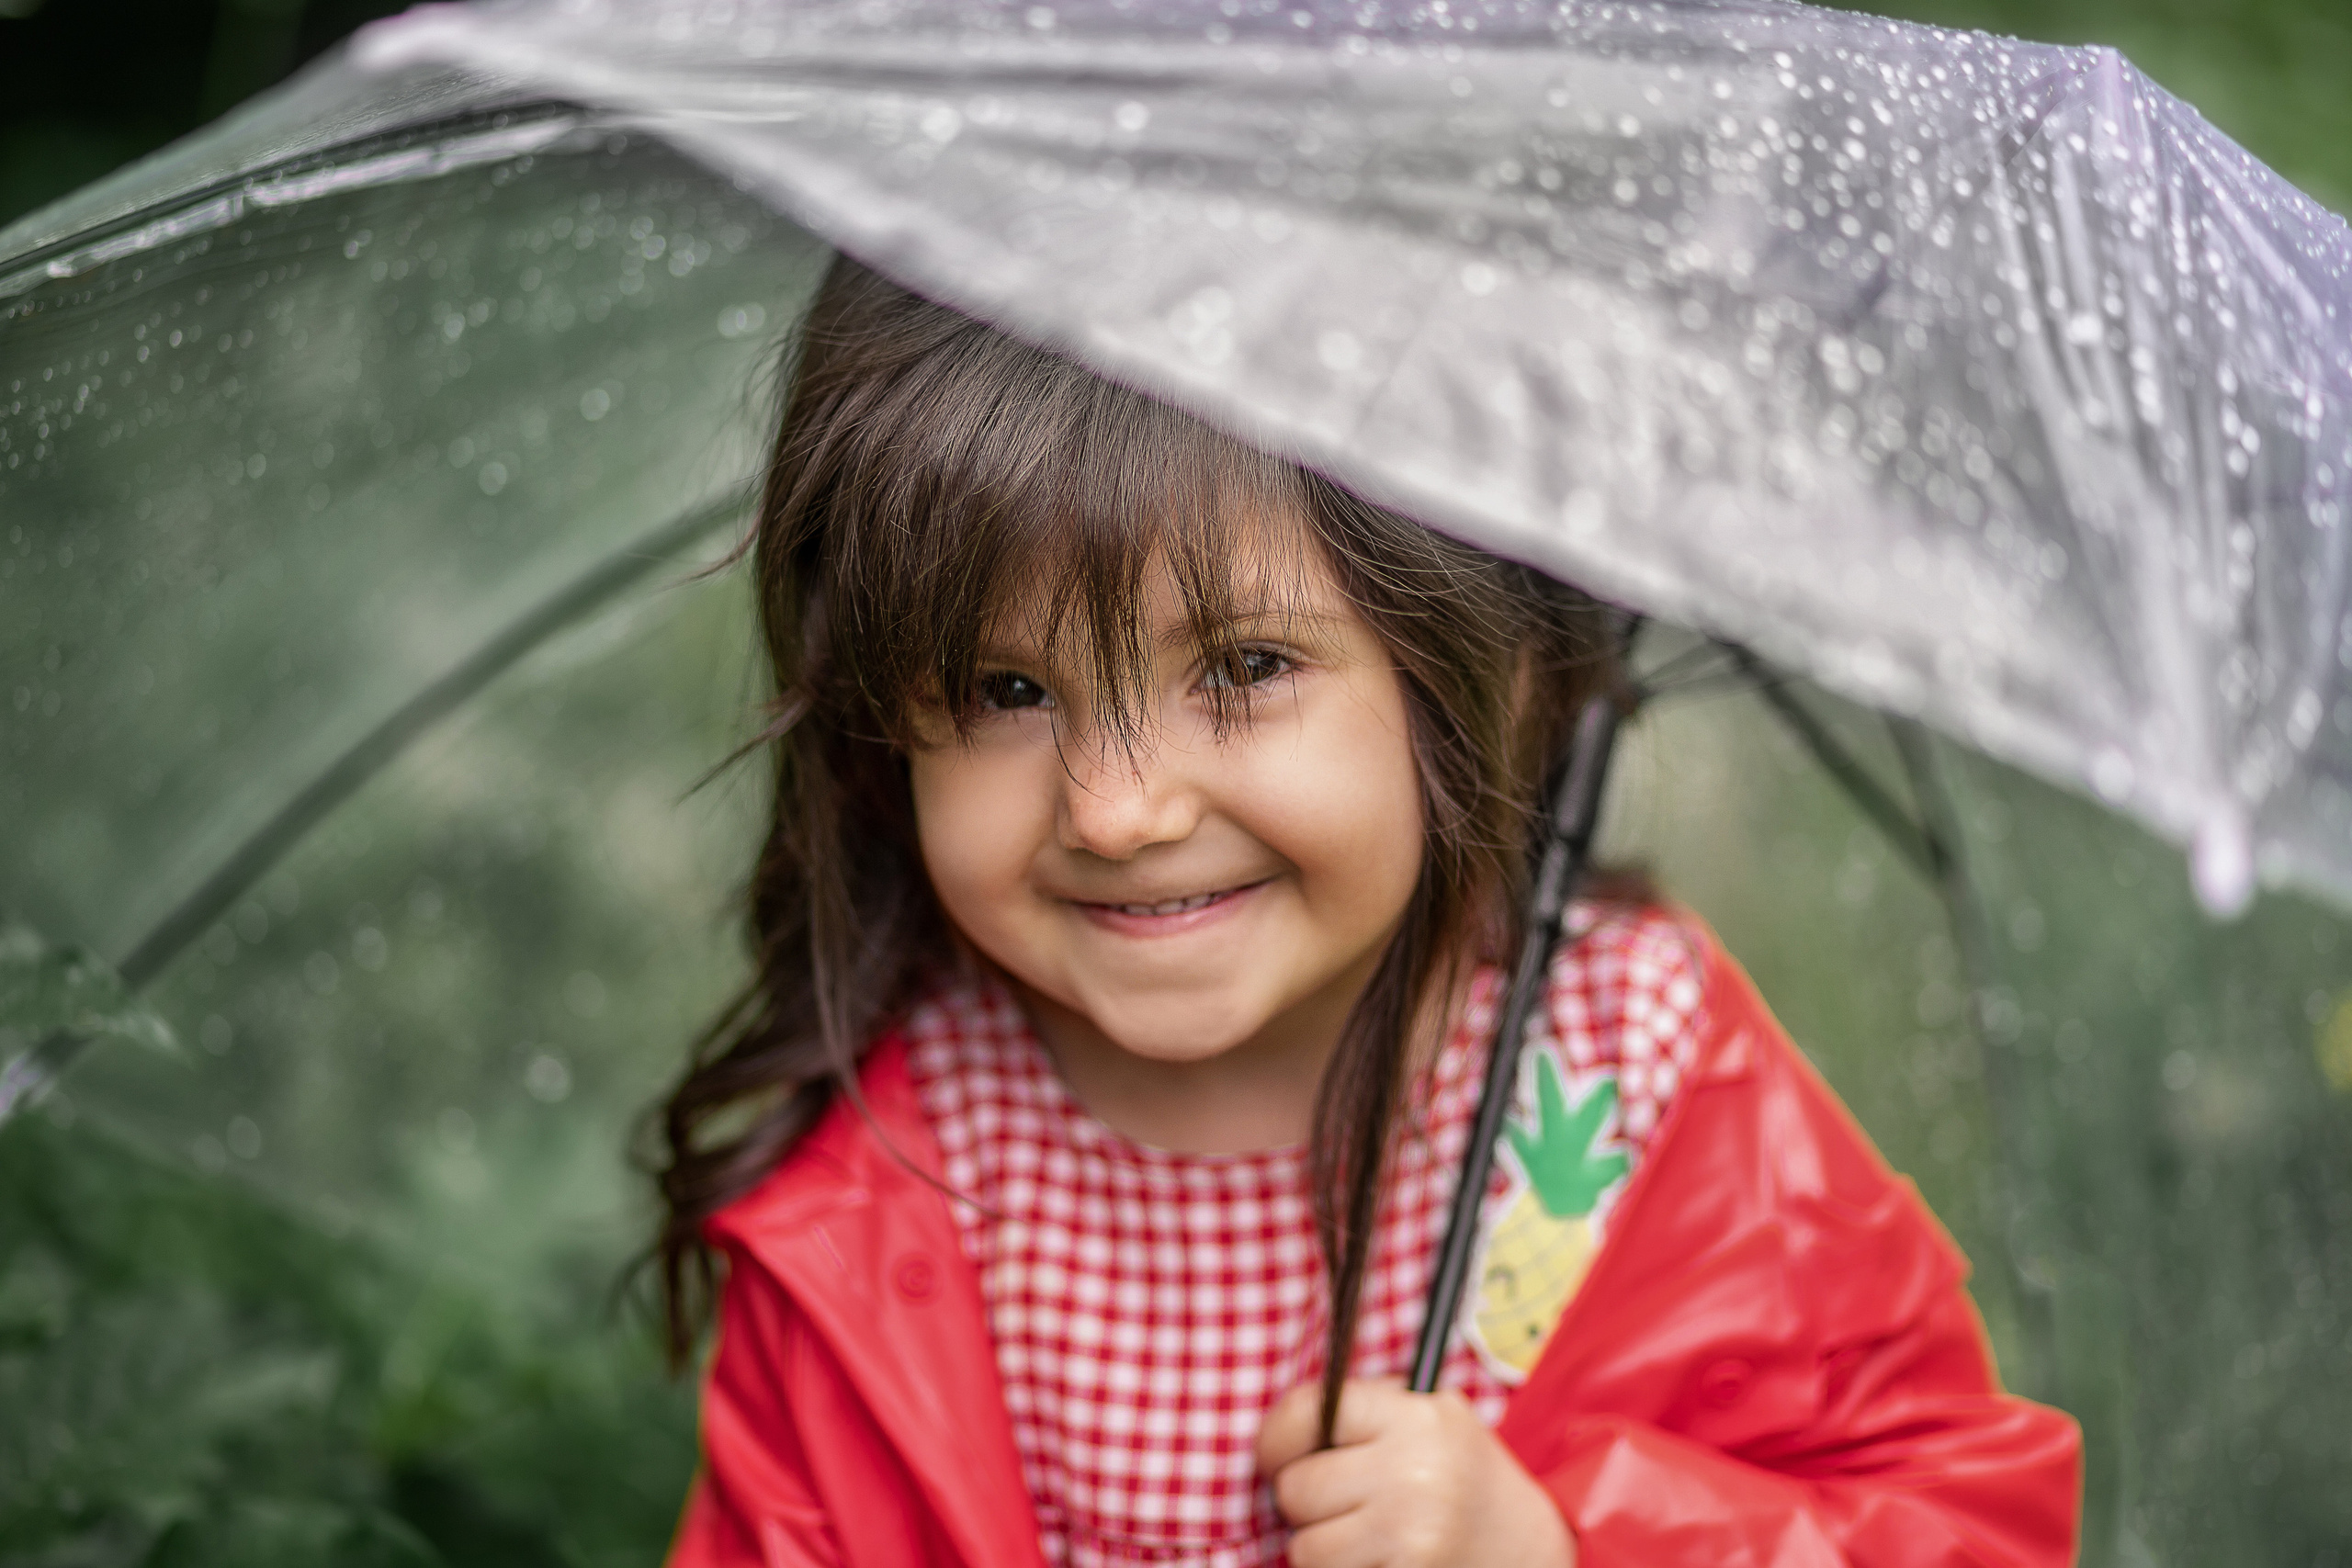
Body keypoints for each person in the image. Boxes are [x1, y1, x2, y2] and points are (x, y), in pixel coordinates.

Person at [652, 256, 2081, 1568]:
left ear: (1492, 675)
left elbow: (1953, 1525)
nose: (1117, 809)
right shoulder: (903, 1146)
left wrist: (1562, 1548)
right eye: (1005, 692)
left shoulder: (1631, 1073)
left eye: (1247, 664)